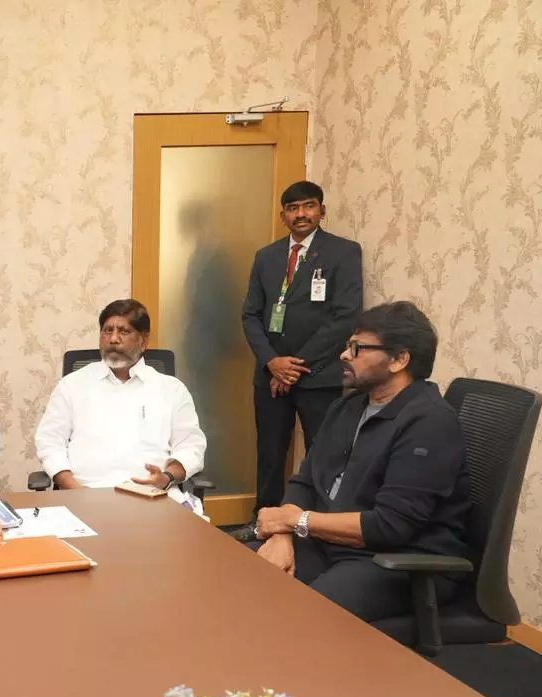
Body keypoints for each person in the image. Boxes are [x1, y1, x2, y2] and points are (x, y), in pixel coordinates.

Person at [252, 302, 471, 622]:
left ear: (399, 359)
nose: (344, 355)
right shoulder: (347, 407)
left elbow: (389, 526)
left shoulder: (430, 422)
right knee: (244, 575)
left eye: (357, 348)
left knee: (299, 616)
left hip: (398, 562)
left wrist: (296, 521)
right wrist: (282, 534)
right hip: (332, 543)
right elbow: (306, 481)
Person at [238, 180, 363, 539]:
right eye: (293, 209)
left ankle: (317, 529)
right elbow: (251, 315)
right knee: (270, 453)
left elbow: (345, 316)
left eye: (308, 206)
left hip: (318, 375)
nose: (301, 214)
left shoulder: (343, 252)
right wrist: (272, 362)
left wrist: (293, 365)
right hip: (270, 375)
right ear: (283, 216)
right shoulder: (267, 257)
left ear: (322, 210)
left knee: (322, 455)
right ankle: (262, 522)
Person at [34, 299, 208, 514]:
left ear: (144, 340)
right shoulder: (72, 385)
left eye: (123, 331)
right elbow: (49, 442)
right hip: (84, 497)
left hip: (153, 498)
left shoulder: (171, 389)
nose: (113, 339)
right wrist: (75, 490)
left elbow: (191, 446)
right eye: (107, 331)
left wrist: (166, 477)